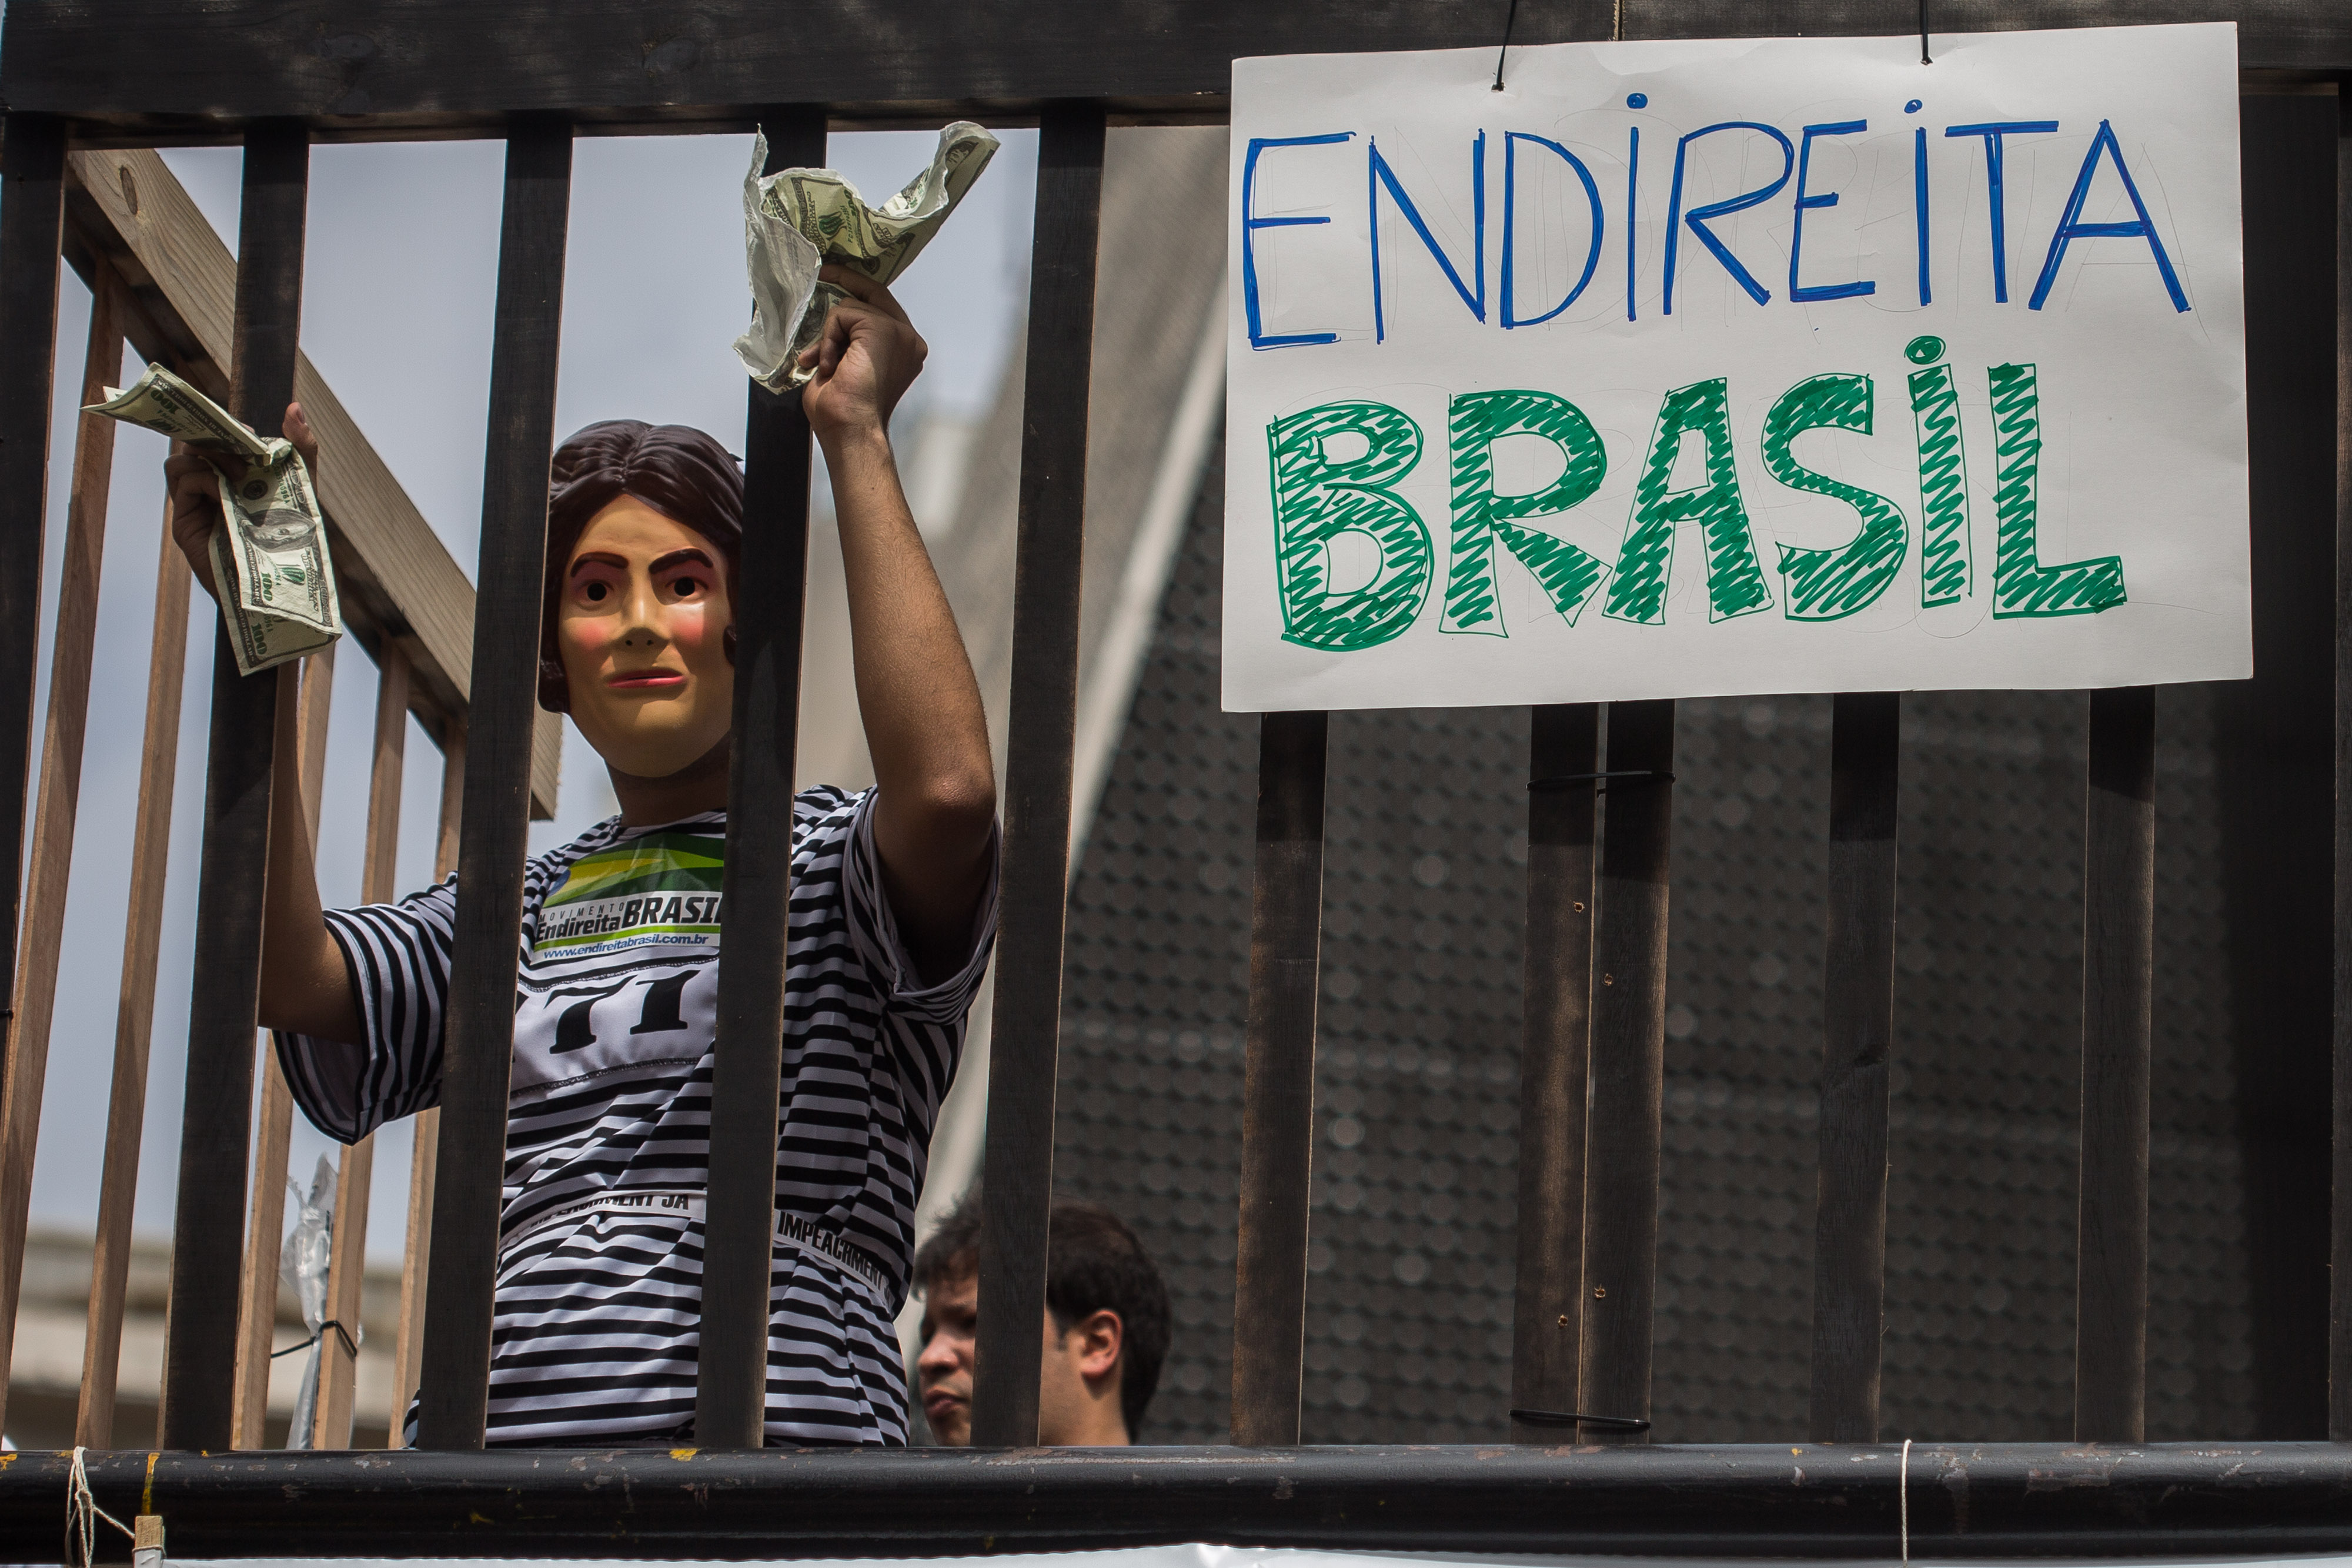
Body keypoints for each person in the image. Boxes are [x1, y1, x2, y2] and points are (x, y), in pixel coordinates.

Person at [166, 266, 1000, 1446]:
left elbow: (954, 793)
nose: (645, 622)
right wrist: (256, 629)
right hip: (496, 1466)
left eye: (685, 582)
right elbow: (292, 977)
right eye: (597, 590)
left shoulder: (831, 861)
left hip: (777, 1467)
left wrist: (853, 435)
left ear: (748, 621)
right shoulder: (512, 898)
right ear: (553, 653)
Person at [911, 1196, 1170, 1446]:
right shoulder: (886, 1488)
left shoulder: (1202, 1486)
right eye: (928, 1336)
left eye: (974, 1324)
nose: (929, 1359)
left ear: (1096, 1344)